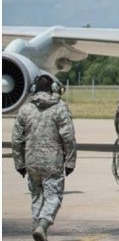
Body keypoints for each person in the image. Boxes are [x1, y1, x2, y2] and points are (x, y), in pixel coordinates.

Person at [12, 74, 76, 241]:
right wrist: (70, 161)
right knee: (53, 196)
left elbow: (17, 139)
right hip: (52, 161)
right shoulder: (60, 108)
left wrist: (19, 163)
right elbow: (68, 137)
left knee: (36, 196)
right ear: (54, 89)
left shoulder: (25, 109)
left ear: (33, 89)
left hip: (31, 161)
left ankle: (37, 227)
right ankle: (43, 224)